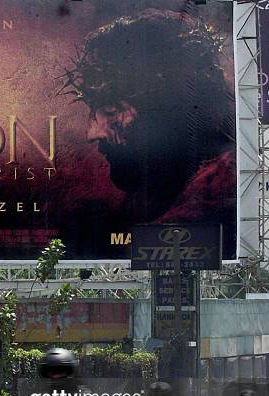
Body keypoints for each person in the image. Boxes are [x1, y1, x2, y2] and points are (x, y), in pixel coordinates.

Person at [63, 8, 236, 237]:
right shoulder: (145, 205)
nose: (92, 133)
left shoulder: (217, 202)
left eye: (111, 109)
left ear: (163, 107)